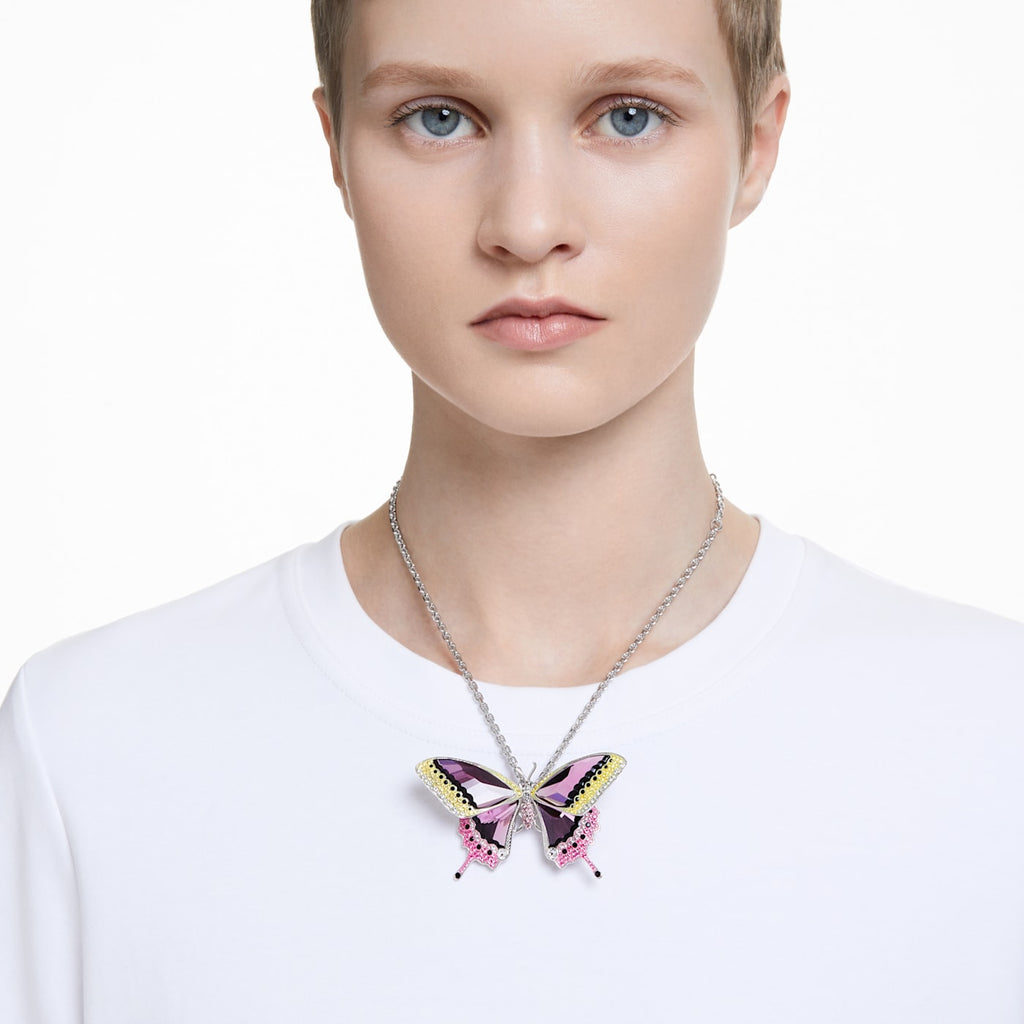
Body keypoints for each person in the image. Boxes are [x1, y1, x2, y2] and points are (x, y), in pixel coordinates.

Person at [2, 0, 1022, 1020]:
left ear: (756, 144)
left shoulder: (987, 740)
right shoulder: (93, 746)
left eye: (627, 117)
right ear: (336, 151)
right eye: (438, 119)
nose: (528, 226)